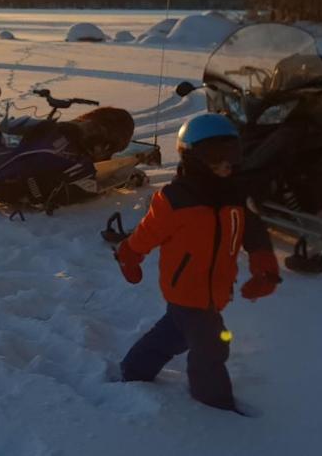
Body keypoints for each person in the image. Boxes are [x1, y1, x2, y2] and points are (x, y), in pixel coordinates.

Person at [113, 113, 282, 413]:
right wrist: (130, 254)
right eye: (217, 156)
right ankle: (213, 405)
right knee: (212, 346)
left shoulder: (233, 196)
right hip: (187, 291)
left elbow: (252, 230)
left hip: (214, 290)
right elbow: (148, 232)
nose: (227, 164)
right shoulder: (176, 199)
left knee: (173, 335)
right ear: (194, 158)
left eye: (232, 154)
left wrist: (264, 266)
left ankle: (135, 369)